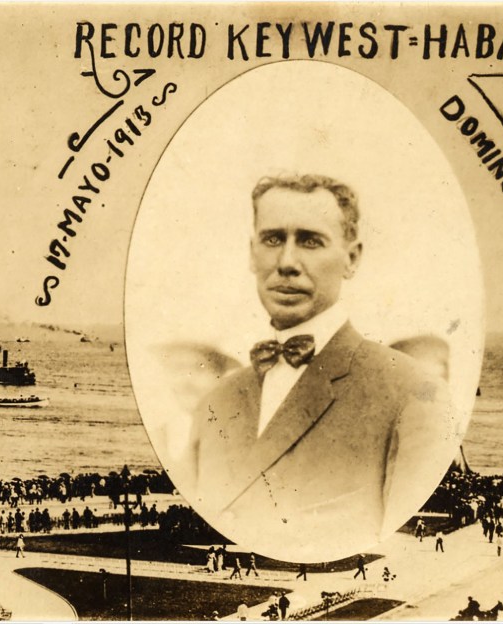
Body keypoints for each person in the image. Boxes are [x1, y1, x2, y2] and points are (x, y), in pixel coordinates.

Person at [189, 173, 451, 546]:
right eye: (273, 239)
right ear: (252, 253)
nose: (287, 262)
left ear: (352, 258)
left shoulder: (411, 392)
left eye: (311, 242)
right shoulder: (217, 400)